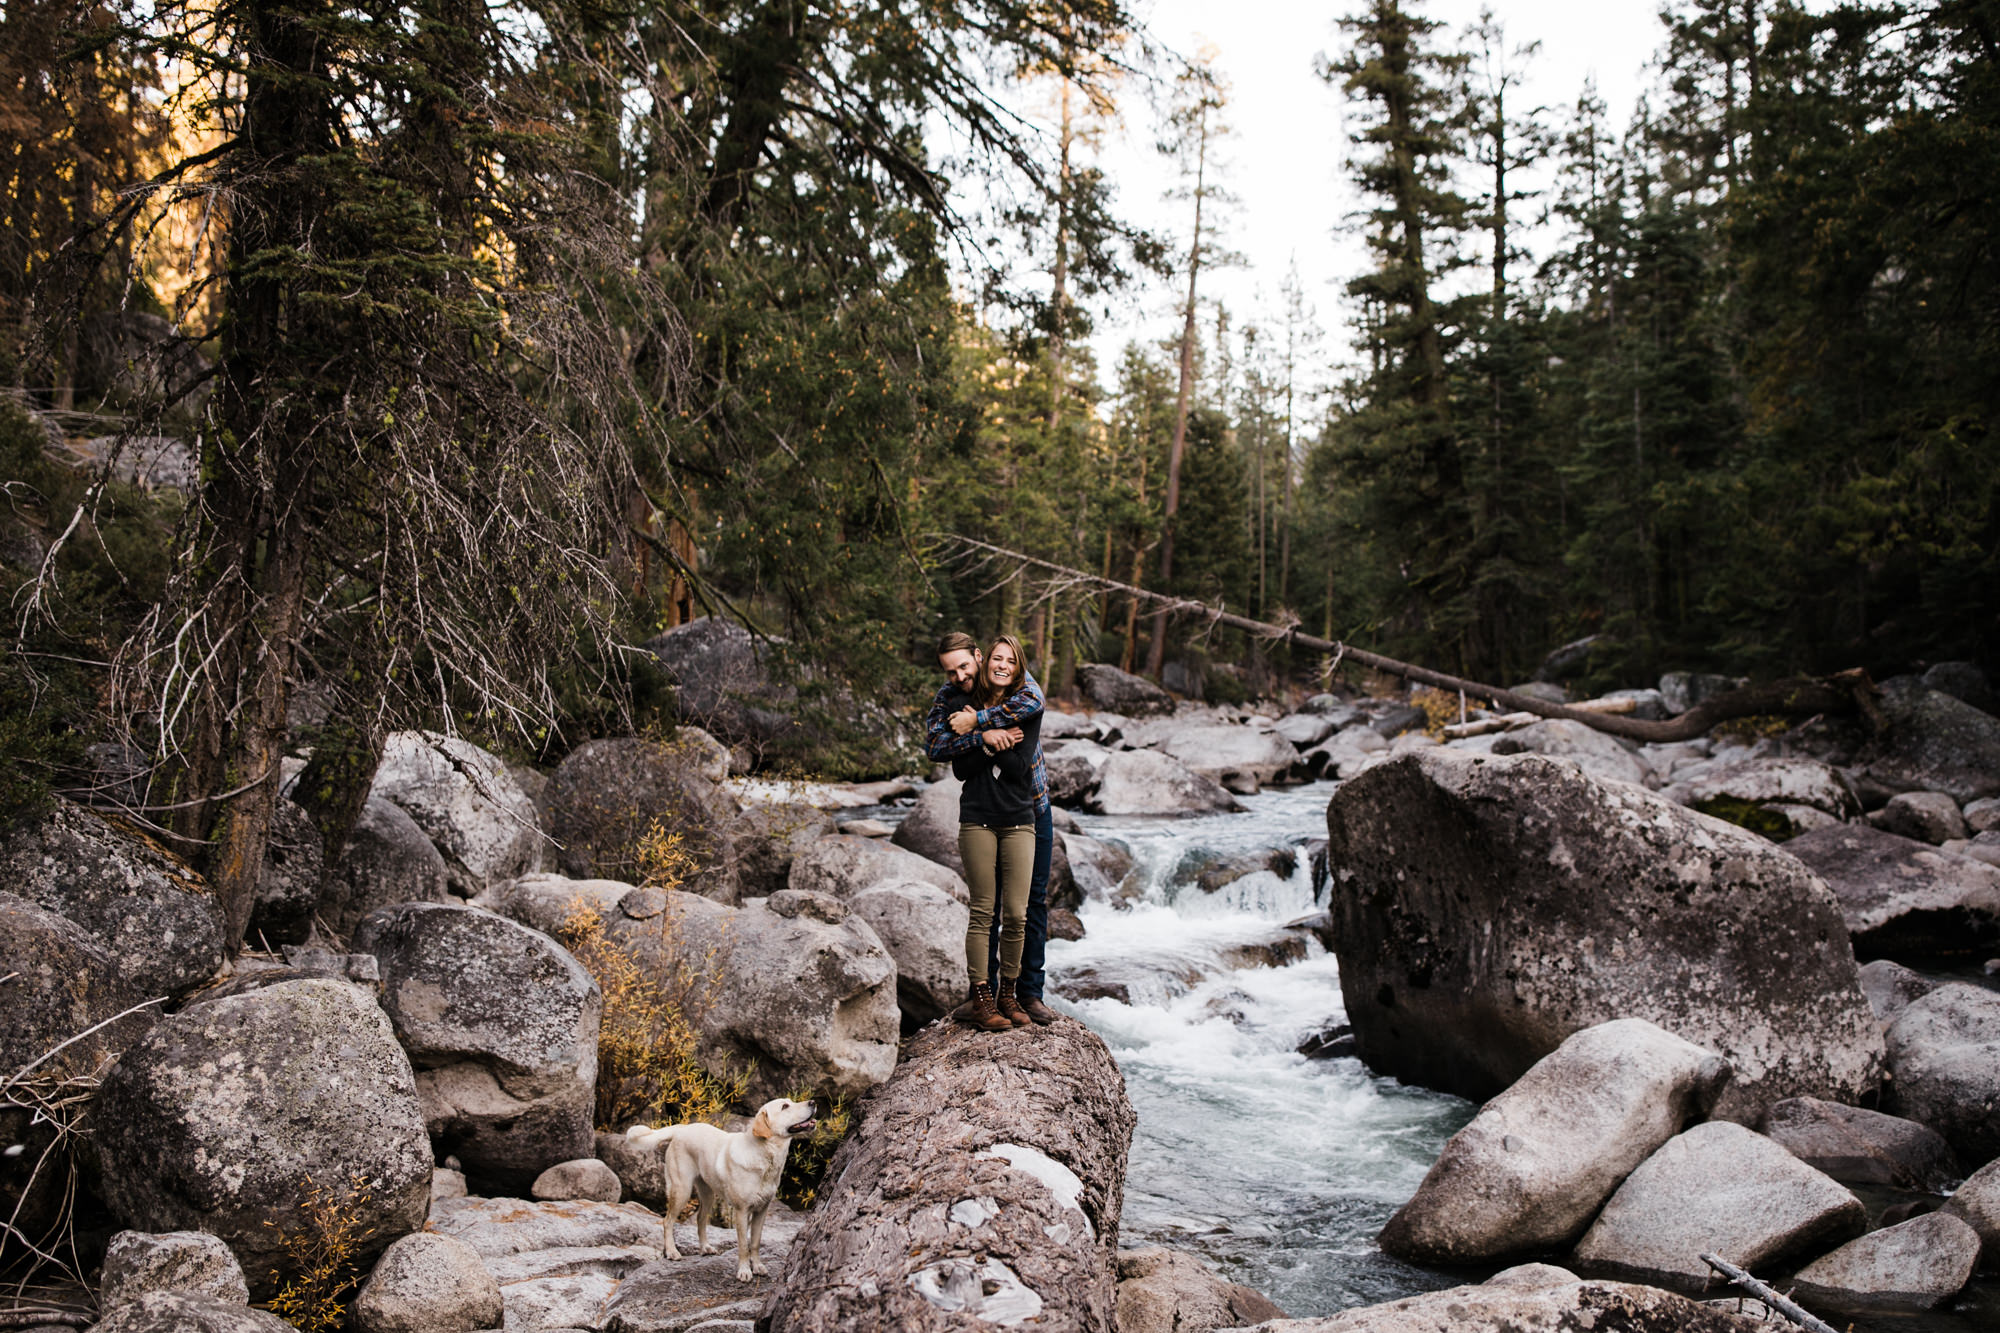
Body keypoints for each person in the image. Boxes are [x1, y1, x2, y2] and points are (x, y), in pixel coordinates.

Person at [924, 631, 1057, 1028]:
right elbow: (936, 746)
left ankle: (1027, 995)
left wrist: (976, 722)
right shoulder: (952, 697)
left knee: (1030, 903)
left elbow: (1035, 704)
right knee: (986, 907)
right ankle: (983, 997)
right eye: (951, 671)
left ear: (978, 657)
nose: (960, 675)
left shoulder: (1019, 685)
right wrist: (984, 737)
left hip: (1032, 805)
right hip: (983, 812)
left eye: (965, 666)